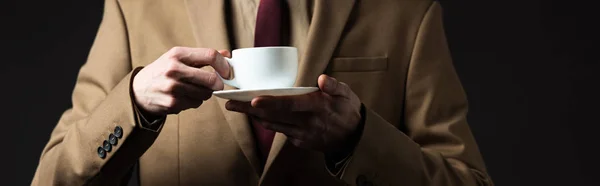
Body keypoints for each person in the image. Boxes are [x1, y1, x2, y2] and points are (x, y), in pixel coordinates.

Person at [31, 0, 494, 185]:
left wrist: (360, 138)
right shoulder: (137, 7)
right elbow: (52, 178)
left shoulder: (405, 11)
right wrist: (133, 101)